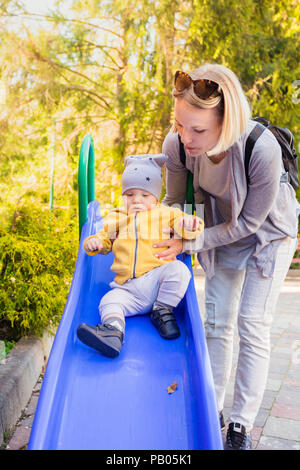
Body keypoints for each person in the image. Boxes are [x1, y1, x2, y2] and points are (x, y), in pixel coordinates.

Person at [153, 64, 299, 450]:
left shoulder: (261, 149)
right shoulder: (178, 146)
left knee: (252, 323)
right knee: (217, 322)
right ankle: (212, 408)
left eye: (198, 129)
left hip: (267, 233)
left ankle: (241, 424)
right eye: (180, 125)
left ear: (226, 120)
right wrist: (170, 231)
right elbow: (177, 202)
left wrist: (191, 243)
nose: (186, 137)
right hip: (220, 228)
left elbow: (250, 222)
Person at [77, 154, 204, 359]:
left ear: (155, 197)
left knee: (179, 271)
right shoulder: (117, 218)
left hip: (156, 281)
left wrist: (189, 225)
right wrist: (95, 243)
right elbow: (104, 240)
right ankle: (113, 332)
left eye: (144, 195)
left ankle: (162, 310)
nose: (136, 199)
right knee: (109, 301)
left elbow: (186, 224)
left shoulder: (165, 213)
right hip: (127, 289)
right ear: (122, 196)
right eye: (130, 194)